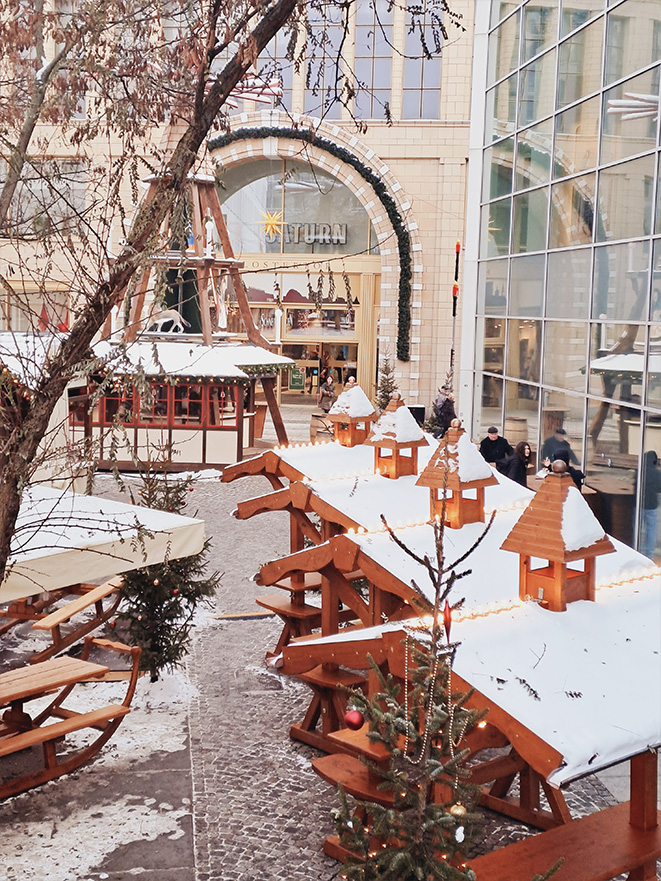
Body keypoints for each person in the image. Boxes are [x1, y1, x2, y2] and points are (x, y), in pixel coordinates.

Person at [641, 450, 661, 559]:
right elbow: (659, 488)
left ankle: (637, 550)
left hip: (639, 505)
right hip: (652, 505)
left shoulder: (640, 471)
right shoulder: (657, 473)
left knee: (638, 530)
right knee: (651, 531)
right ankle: (649, 554)